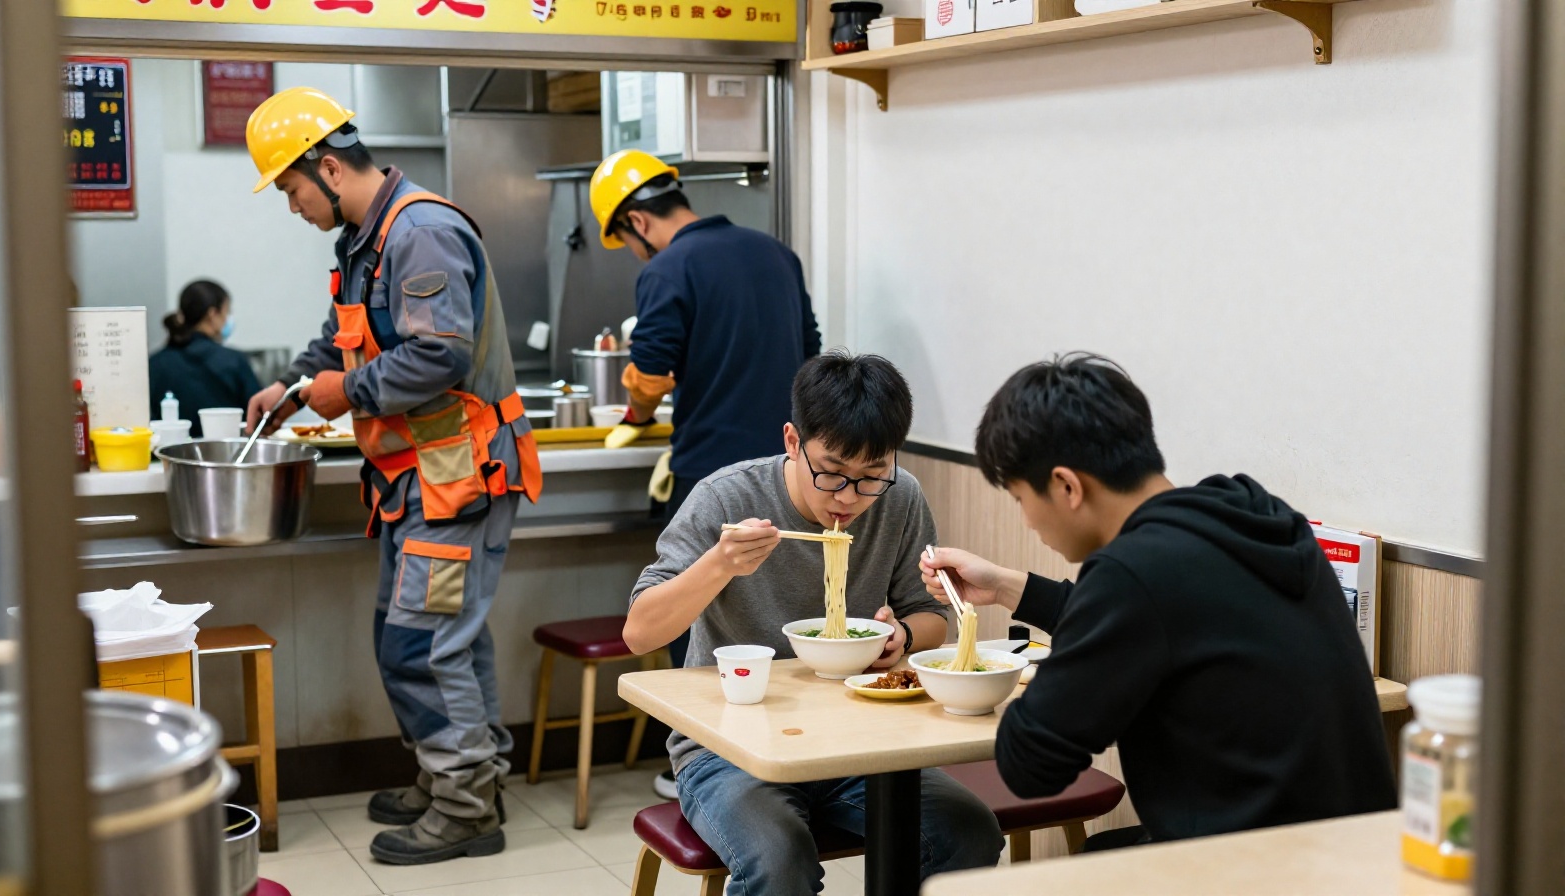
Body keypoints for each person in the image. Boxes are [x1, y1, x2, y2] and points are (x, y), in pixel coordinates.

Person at [920, 354, 1397, 851]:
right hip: (1359, 858)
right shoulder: (1250, 514)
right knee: (1105, 852)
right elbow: (1156, 620)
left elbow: (1031, 765)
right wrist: (1005, 587)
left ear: (1066, 485)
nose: (1028, 522)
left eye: (1021, 499)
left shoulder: (1132, 572)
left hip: (1254, 872)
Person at [241, 86, 542, 865]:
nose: (291, 206)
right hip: (419, 483)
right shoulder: (367, 240)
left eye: (290, 189)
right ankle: (458, 776)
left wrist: (342, 394)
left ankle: (466, 805)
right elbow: (347, 339)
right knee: (434, 640)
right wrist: (299, 381)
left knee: (423, 644)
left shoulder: (422, 233)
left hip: (458, 479)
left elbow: (436, 356)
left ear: (329, 169)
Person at [624, 351, 1002, 894]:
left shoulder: (901, 499)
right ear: (793, 442)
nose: (848, 498)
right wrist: (719, 565)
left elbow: (932, 616)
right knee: (779, 862)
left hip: (859, 741)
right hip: (730, 752)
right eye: (832, 473)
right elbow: (640, 631)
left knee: (967, 832)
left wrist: (902, 640)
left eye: (873, 476)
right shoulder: (726, 497)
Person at [589, 149, 821, 797]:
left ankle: (695, 761)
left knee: (696, 613)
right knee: (775, 612)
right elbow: (812, 356)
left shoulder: (668, 267)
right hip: (787, 472)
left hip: (711, 476)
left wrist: (635, 412)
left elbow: (654, 372)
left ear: (636, 219)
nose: (632, 252)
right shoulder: (777, 254)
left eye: (624, 240)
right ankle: (779, 751)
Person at [148, 279, 261, 436]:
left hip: (167, 457)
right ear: (212, 314)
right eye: (227, 312)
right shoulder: (234, 361)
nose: (228, 320)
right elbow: (259, 417)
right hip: (226, 457)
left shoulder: (154, 364)